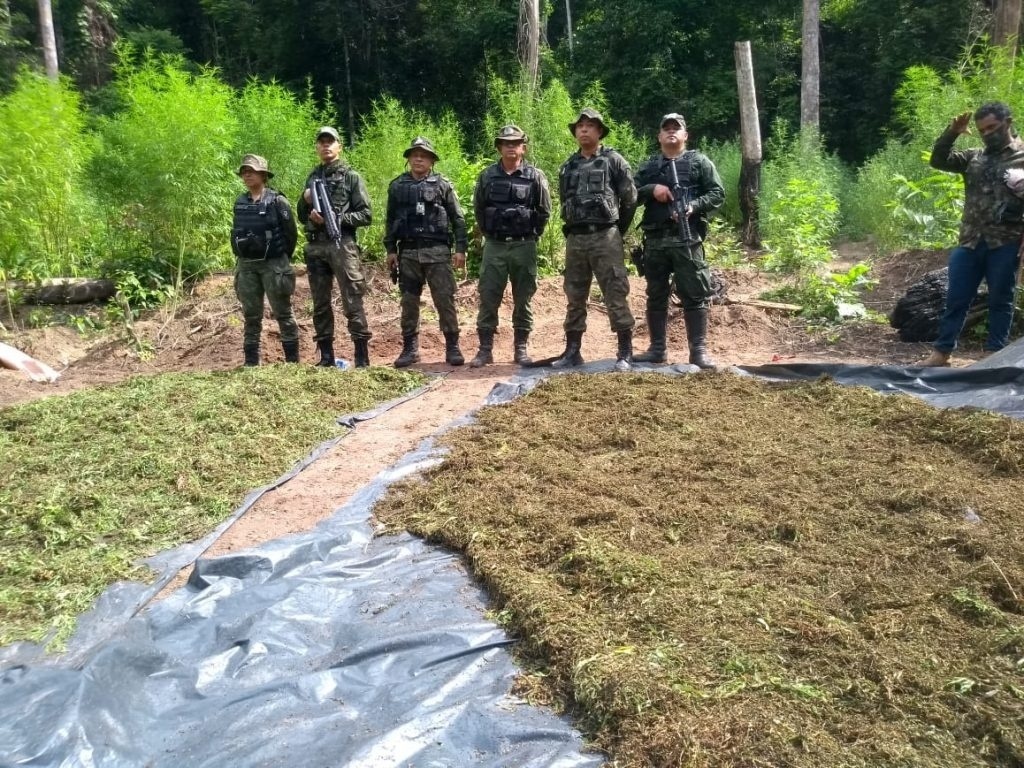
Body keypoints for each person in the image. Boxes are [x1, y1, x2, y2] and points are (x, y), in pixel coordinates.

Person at [923, 101, 1024, 366]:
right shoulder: (974, 157)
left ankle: (995, 357)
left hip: (1005, 241)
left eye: (992, 127)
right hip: (970, 240)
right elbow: (939, 160)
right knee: (956, 297)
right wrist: (952, 132)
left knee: (1001, 299)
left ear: (1008, 122)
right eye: (982, 130)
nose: (987, 133)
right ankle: (942, 352)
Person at [633, 113, 725, 368]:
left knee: (695, 294)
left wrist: (694, 206)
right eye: (666, 129)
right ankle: (657, 349)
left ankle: (698, 352)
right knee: (656, 295)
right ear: (659, 136)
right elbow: (629, 193)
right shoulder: (650, 166)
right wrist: (652, 190)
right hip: (656, 241)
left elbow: (718, 193)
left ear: (685, 135)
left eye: (677, 128)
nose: (671, 132)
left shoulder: (699, 162)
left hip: (688, 240)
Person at [552, 107, 637, 371]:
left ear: (599, 131)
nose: (584, 130)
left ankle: (625, 352)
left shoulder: (614, 161)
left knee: (615, 291)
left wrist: (616, 231)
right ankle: (572, 351)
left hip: (606, 236)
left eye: (590, 125)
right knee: (574, 295)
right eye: (580, 126)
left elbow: (630, 199)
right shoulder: (568, 166)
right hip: (576, 239)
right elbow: (565, 199)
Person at [469, 124, 552, 367]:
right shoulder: (487, 176)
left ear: (523, 148)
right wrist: (490, 233)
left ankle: (521, 348)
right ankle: (485, 350)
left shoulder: (535, 176)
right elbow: (479, 209)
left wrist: (532, 234)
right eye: (506, 143)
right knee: (488, 296)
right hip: (494, 245)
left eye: (515, 144)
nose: (511, 148)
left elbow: (544, 211)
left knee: (523, 298)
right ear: (499, 147)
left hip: (523, 245)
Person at [385, 136, 468, 367]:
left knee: (445, 300)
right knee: (409, 302)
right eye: (414, 154)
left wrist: (461, 249)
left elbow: (457, 219)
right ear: (409, 158)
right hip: (408, 253)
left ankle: (452, 346)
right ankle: (410, 348)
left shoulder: (443, 185)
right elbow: (390, 220)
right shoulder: (397, 186)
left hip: (438, 253)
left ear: (432, 160)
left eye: (424, 155)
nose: (418, 158)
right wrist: (391, 250)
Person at [297, 126, 373, 368]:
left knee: (352, 299)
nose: (326, 146)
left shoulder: (351, 176)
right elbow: (301, 215)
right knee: (320, 303)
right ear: (317, 147)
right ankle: (327, 356)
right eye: (321, 142)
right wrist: (306, 202)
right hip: (316, 246)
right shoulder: (312, 177)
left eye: (330, 142)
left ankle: (362, 357)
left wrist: (338, 218)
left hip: (343, 244)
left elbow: (366, 214)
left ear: (339, 146)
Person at [230, 153, 299, 366]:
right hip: (247, 265)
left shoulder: (278, 201)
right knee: (251, 316)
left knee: (283, 314)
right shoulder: (240, 202)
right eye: (244, 172)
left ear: (263, 174)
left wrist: (280, 258)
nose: (247, 175)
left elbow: (291, 235)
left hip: (274, 264)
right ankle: (251, 363)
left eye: (251, 171)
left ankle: (292, 364)